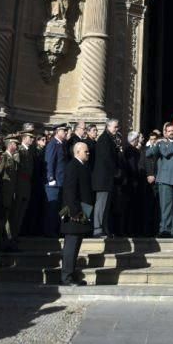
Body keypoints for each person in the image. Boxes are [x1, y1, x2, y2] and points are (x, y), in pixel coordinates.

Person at [60, 141, 94, 285]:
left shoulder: (82, 166)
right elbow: (69, 191)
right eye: (85, 151)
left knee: (76, 245)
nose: (88, 153)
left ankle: (71, 275)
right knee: (71, 245)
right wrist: (75, 212)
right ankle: (66, 277)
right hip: (74, 213)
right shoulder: (73, 166)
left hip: (82, 210)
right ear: (78, 151)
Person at [91, 119, 121, 238]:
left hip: (107, 179)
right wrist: (116, 171)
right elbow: (107, 159)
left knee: (106, 205)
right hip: (103, 179)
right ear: (108, 126)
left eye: (117, 127)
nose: (117, 129)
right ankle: (98, 229)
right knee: (101, 204)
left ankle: (104, 228)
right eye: (115, 127)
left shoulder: (109, 139)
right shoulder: (104, 139)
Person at [44, 124, 69, 237]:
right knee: (53, 209)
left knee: (61, 207)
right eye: (64, 130)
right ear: (57, 131)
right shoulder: (53, 144)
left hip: (62, 181)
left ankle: (59, 229)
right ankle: (51, 231)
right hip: (55, 182)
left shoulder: (62, 144)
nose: (65, 132)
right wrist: (51, 178)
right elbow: (49, 162)